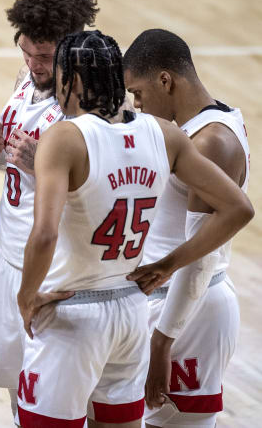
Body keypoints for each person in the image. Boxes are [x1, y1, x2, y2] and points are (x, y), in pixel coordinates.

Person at [16, 30, 253, 428]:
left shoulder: (65, 137)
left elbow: (43, 234)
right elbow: (240, 208)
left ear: (71, 82)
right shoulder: (164, 133)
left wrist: (26, 297)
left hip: (73, 310)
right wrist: (168, 264)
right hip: (130, 312)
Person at [0, 0, 99, 416]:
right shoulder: (29, 74)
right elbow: (18, 158)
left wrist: (35, 162)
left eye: (42, 56)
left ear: (70, 48)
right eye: (25, 50)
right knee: (17, 394)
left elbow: (99, 184)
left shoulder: (91, 100)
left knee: (53, 404)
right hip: (12, 259)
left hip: (55, 267)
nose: (31, 62)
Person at [123, 29, 250, 428]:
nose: (138, 106)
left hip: (190, 310)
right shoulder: (201, 126)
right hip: (170, 302)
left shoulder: (211, 142)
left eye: (139, 93)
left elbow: (201, 256)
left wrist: (163, 340)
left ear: (166, 80)